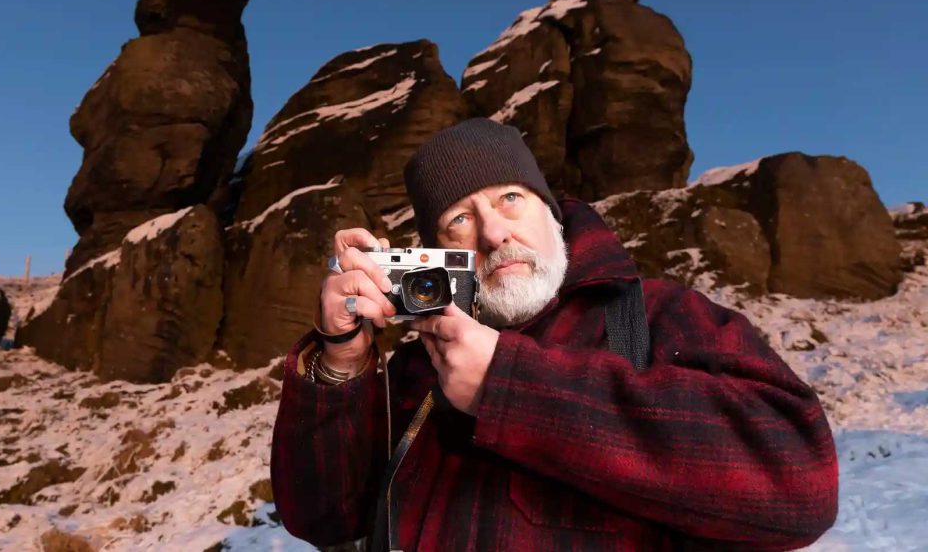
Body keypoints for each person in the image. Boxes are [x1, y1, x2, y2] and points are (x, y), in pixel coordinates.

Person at [271, 117, 838, 550]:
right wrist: (340, 358)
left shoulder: (656, 317)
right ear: (439, 253)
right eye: (460, 219)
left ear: (552, 212)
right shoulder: (418, 367)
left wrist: (506, 385)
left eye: (510, 199)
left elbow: (802, 485)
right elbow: (322, 517)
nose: (493, 232)